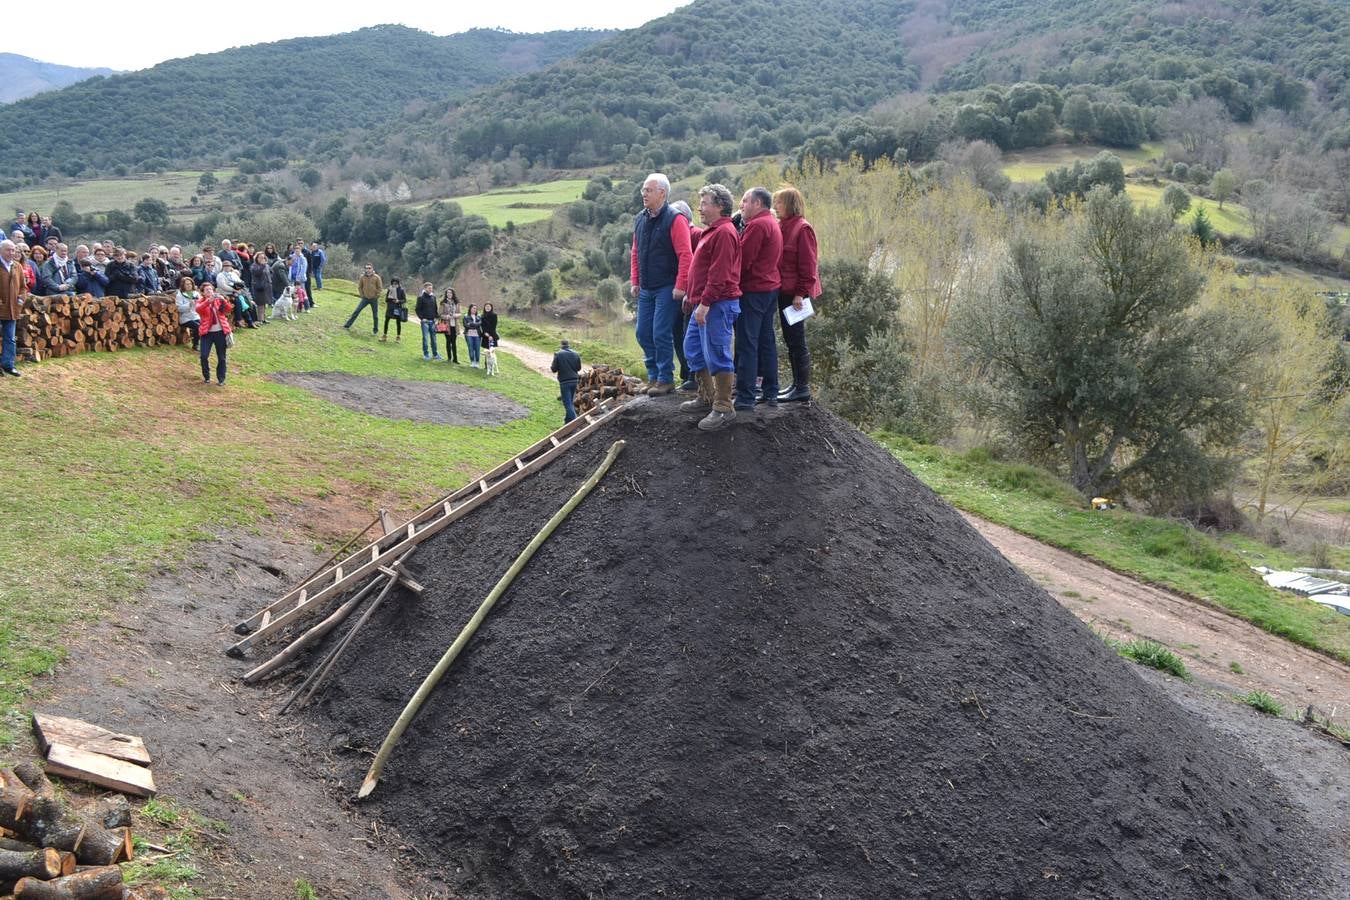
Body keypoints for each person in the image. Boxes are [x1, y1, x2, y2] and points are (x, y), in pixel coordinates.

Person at [680, 184, 742, 431]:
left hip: (716, 304)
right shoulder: (712, 231)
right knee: (693, 348)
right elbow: (703, 269)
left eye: (705, 203)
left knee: (717, 352)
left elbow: (720, 275)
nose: (700, 208)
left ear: (719, 206)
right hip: (703, 303)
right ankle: (706, 397)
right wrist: (691, 295)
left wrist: (704, 303)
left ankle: (724, 407)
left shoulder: (724, 233)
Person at [629, 172, 692, 396]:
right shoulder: (640, 218)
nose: (643, 193)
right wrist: (635, 280)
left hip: (667, 286)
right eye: (643, 190)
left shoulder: (676, 219)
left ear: (662, 193)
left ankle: (666, 379)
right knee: (642, 332)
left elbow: (686, 255)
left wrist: (681, 285)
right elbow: (635, 251)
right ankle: (653, 376)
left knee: (660, 333)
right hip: (646, 287)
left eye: (648, 190)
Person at [734, 186, 783, 410]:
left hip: (754, 291)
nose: (741, 205)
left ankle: (745, 396)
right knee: (766, 341)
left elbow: (743, 261)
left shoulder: (757, 226)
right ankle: (771, 391)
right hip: (770, 289)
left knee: (747, 342)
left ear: (757, 204)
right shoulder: (772, 223)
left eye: (745, 201)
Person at [773, 185, 821, 402]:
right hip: (784, 291)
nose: (776, 206)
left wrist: (800, 294)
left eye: (779, 202)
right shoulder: (782, 226)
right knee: (789, 338)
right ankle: (795, 385)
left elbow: (809, 267)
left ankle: (801, 387)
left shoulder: (802, 229)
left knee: (796, 339)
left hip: (795, 295)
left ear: (790, 204)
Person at [196, 283, 232, 386]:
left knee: (221, 357)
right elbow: (198, 309)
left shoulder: (219, 299)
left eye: (211, 290)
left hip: (220, 332)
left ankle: (221, 379)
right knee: (203, 356)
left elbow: (228, 309)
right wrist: (208, 302)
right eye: (207, 290)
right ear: (203, 292)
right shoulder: (201, 301)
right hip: (206, 333)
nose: (209, 292)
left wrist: (223, 300)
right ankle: (206, 376)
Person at [0, 240, 26, 377]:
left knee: (10, 338)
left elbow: (23, 287)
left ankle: (8, 365)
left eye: (13, 250)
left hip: (12, 310)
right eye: (8, 250)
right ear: (1, 250)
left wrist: (21, 299)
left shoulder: (17, 266)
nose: (11, 253)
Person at [345, 263, 383, 334]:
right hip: (365, 298)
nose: (368, 270)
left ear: (372, 269)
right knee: (356, 311)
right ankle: (347, 325)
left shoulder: (377, 277)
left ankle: (375, 330)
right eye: (366, 268)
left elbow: (380, 288)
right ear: (365, 269)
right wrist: (362, 295)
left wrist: (377, 296)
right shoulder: (362, 277)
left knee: (375, 315)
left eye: (369, 268)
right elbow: (360, 287)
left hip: (374, 299)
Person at [551, 338, 582, 423]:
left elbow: (553, 369)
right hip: (575, 381)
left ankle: (575, 421)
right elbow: (579, 368)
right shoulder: (576, 354)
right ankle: (567, 422)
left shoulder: (558, 354)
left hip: (565, 382)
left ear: (561, 345)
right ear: (568, 345)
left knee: (567, 403)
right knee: (570, 402)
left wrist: (555, 358)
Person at [416, 282, 442, 360]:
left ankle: (435, 354)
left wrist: (436, 317)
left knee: (434, 339)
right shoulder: (420, 297)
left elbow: (435, 308)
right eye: (429, 288)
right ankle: (426, 354)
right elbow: (417, 309)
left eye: (431, 288)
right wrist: (422, 318)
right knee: (425, 338)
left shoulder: (433, 297)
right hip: (425, 322)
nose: (431, 289)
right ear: (425, 288)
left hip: (432, 321)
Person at [175, 275, 201, 350]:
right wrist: (189, 304)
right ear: (183, 285)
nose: (189, 286)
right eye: (187, 284)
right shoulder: (179, 295)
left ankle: (199, 341)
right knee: (198, 327)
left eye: (190, 284)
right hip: (185, 317)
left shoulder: (196, 293)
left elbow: (200, 305)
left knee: (202, 326)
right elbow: (179, 308)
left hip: (195, 315)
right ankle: (195, 344)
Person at [438, 288, 460, 364]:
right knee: (448, 341)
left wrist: (455, 315)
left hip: (455, 325)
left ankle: (455, 359)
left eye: (450, 293)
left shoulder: (456, 302)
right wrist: (447, 316)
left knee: (454, 342)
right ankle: (449, 358)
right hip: (446, 325)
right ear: (446, 294)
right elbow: (440, 314)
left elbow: (460, 313)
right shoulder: (443, 303)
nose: (449, 294)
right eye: (447, 293)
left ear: (453, 294)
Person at [381, 277, 407, 342]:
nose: (394, 285)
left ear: (398, 284)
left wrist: (398, 301)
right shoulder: (390, 289)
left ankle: (398, 336)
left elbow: (404, 300)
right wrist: (390, 298)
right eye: (393, 283)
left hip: (397, 308)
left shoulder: (401, 290)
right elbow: (386, 300)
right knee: (386, 321)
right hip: (390, 307)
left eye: (396, 283)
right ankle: (384, 335)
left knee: (398, 322)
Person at [250, 253, 274, 319]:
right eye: (260, 257)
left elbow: (271, 272)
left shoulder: (266, 265)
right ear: (256, 258)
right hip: (259, 287)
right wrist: (262, 266)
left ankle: (263, 318)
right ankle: (260, 319)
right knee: (260, 304)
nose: (262, 259)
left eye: (263, 257)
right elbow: (257, 273)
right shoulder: (254, 266)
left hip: (267, 286)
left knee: (264, 303)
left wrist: (269, 279)